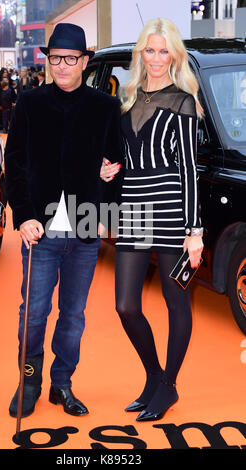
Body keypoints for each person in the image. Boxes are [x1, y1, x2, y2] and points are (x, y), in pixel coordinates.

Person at [4, 23, 123, 419]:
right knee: (34, 312)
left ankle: (62, 384)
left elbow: (116, 164)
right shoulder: (29, 103)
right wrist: (22, 216)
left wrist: (110, 183)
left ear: (85, 61)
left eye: (71, 58)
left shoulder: (106, 108)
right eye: (55, 58)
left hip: (86, 227)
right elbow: (14, 162)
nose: (63, 66)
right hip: (40, 229)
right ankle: (29, 381)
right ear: (48, 60)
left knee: (73, 314)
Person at [100, 17, 204, 421]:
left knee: (175, 302)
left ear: (173, 55)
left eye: (164, 51)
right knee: (126, 305)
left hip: (173, 212)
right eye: (150, 49)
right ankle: (153, 375)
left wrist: (194, 231)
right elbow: (124, 155)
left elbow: (189, 171)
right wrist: (108, 170)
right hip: (134, 210)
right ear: (140, 53)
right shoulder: (127, 98)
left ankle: (169, 386)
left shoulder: (183, 101)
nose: (157, 58)